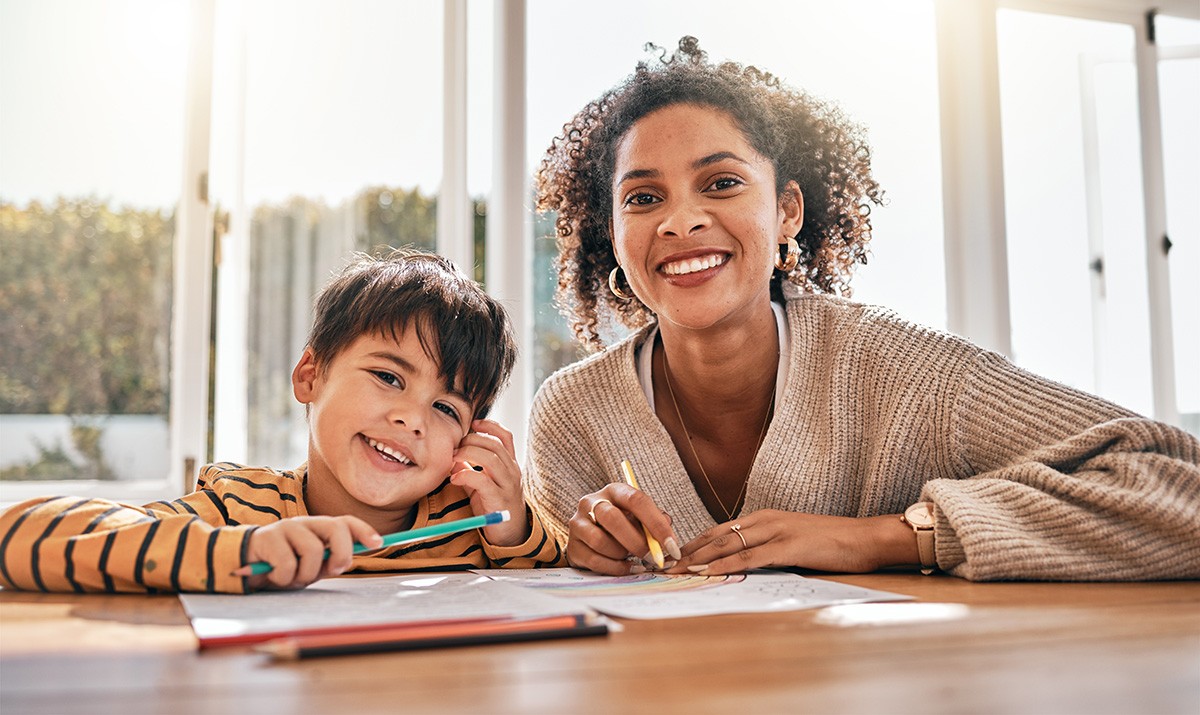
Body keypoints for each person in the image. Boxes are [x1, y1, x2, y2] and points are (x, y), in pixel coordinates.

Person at [526, 36, 1200, 581]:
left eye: (722, 182)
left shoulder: (905, 374)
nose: (681, 220)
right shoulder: (571, 415)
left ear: (786, 210)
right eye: (644, 198)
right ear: (612, 234)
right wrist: (571, 554)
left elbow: (1178, 482)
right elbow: (558, 601)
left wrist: (891, 537)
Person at [0, 249, 563, 594]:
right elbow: (21, 535)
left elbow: (561, 577)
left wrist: (509, 523)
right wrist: (239, 552)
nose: (411, 419)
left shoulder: (476, 529)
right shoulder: (238, 508)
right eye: (389, 377)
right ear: (309, 377)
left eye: (446, 408)